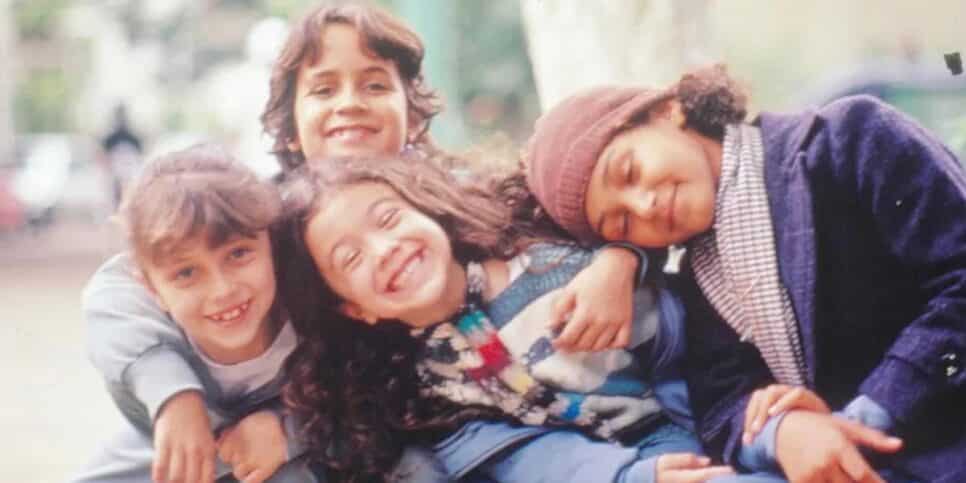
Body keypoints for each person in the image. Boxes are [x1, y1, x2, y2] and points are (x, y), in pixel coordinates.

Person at [77, 2, 641, 481]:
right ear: (290, 123)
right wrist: (175, 396)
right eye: (323, 89)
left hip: (494, 421)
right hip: (287, 436)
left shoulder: (462, 200)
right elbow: (119, 289)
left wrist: (621, 259)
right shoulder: (267, 220)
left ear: (411, 109)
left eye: (374, 84)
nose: (350, 102)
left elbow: (590, 215)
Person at [522, 64, 966, 482]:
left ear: (667, 110)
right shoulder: (694, 278)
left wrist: (867, 415)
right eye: (621, 225)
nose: (644, 206)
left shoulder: (849, 138)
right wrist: (783, 432)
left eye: (629, 171)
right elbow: (721, 409)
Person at [279, 155, 803, 483]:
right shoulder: (426, 385)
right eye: (350, 259)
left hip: (709, 415)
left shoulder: (546, 269)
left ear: (428, 212)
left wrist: (620, 261)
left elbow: (675, 318)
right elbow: (525, 457)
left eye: (389, 219)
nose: (384, 250)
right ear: (357, 310)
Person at [71, 144, 316, 483]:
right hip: (170, 445)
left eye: (238, 254)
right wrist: (175, 396)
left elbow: (362, 397)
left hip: (285, 448)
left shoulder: (311, 314)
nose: (222, 290)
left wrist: (289, 430)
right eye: (186, 274)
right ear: (153, 291)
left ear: (272, 244)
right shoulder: (137, 324)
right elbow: (106, 304)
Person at [99, 104, 144, 208]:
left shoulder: (132, 138)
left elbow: (140, 157)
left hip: (128, 176)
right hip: (116, 176)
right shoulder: (111, 138)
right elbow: (103, 157)